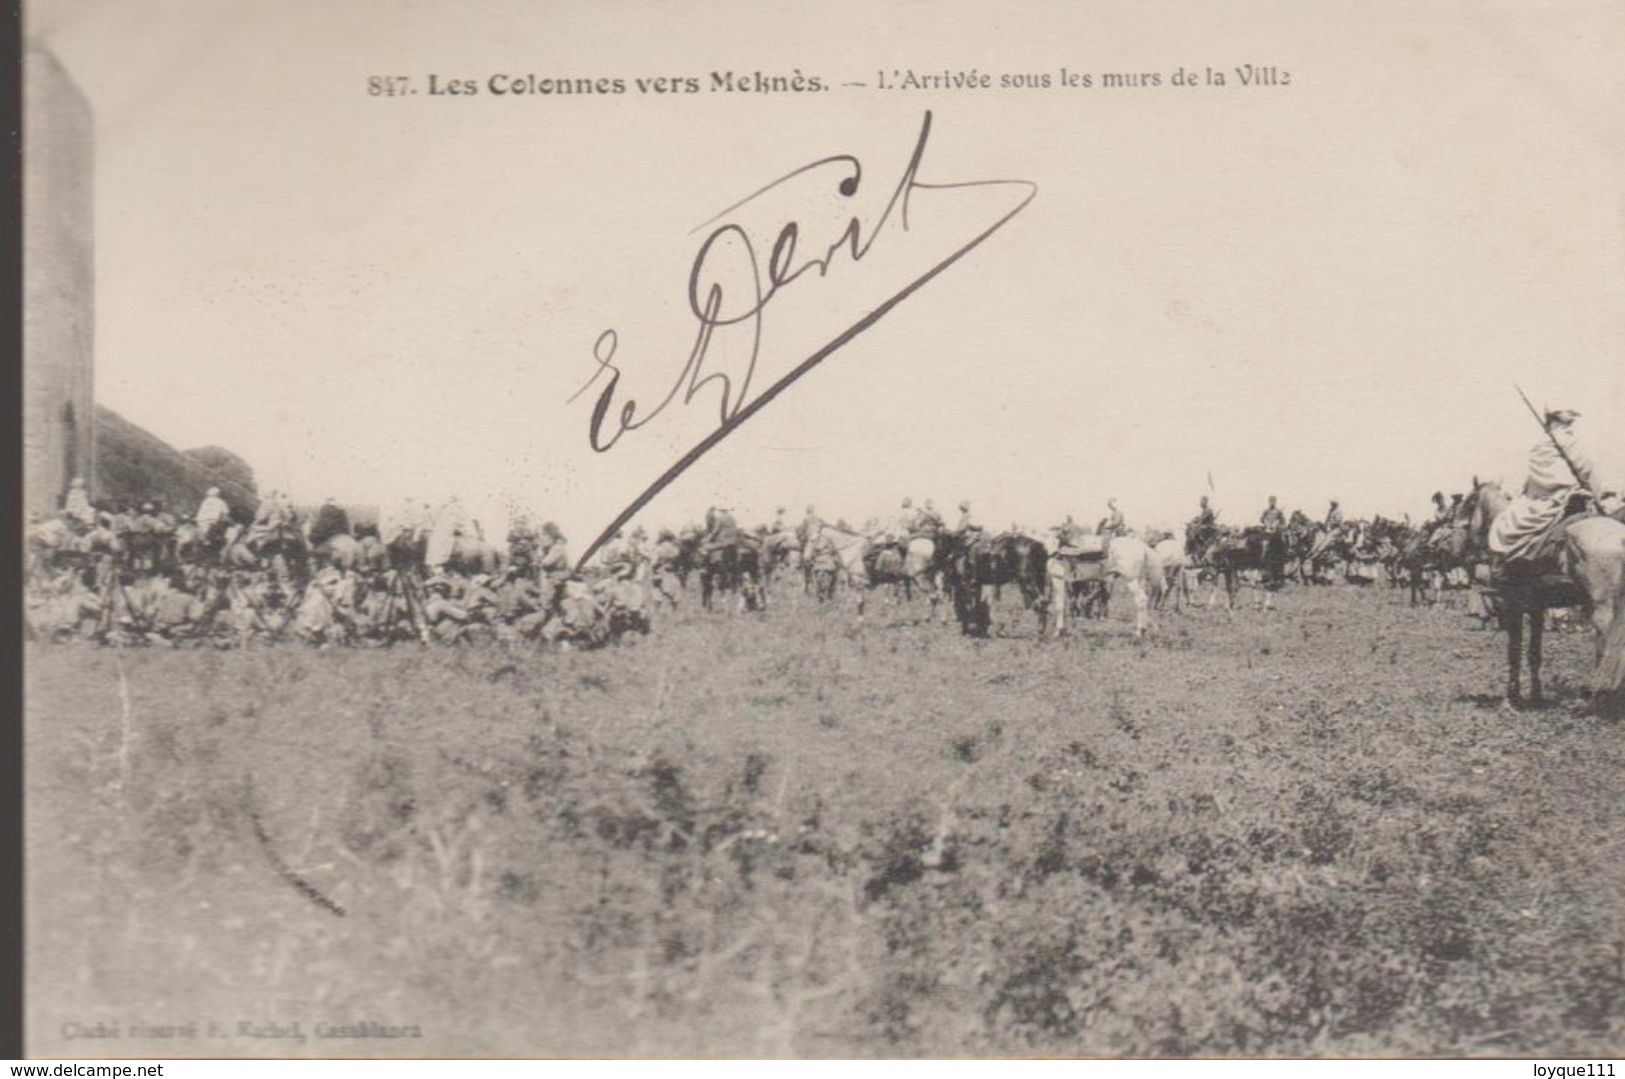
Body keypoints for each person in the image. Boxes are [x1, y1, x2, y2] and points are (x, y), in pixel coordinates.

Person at [1489, 408, 1600, 566]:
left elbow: (1538, 477)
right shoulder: (1575, 441)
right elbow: (1587, 469)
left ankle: (1515, 561)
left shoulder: (1542, 443)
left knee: (1507, 521)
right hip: (1575, 493)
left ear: (1551, 423)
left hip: (1547, 499)